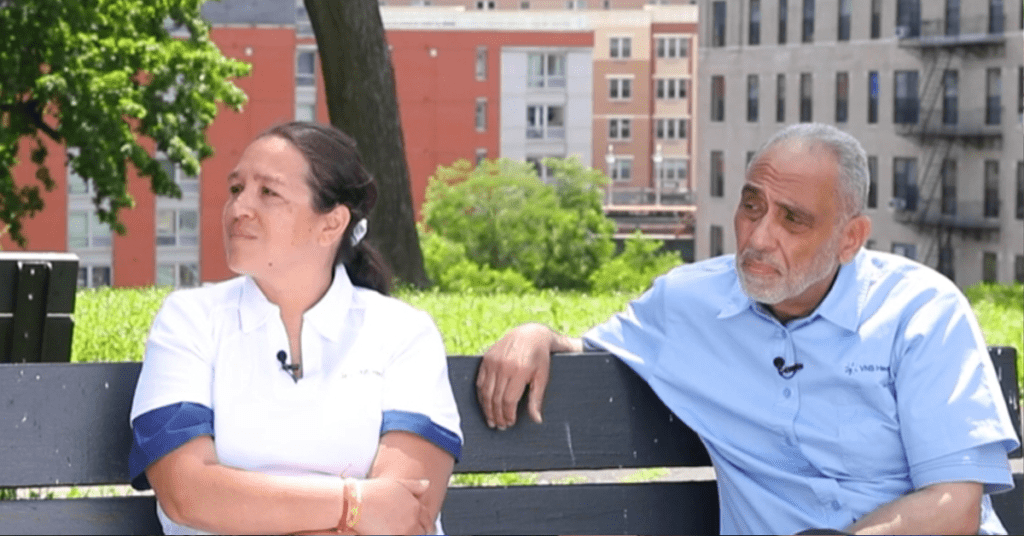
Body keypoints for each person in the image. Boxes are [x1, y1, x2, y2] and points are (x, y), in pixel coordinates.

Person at [476, 123, 1020, 535]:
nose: (758, 237)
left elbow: (955, 503)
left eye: (792, 219)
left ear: (850, 239)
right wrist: (533, 333)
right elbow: (588, 347)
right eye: (751, 206)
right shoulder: (687, 304)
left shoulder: (921, 311)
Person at [129, 122, 462, 535]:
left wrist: (241, 511)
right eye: (236, 189)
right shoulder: (188, 321)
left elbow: (405, 515)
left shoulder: (403, 333)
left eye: (268, 192)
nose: (239, 208)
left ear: (331, 223)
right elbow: (186, 492)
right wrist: (352, 505)